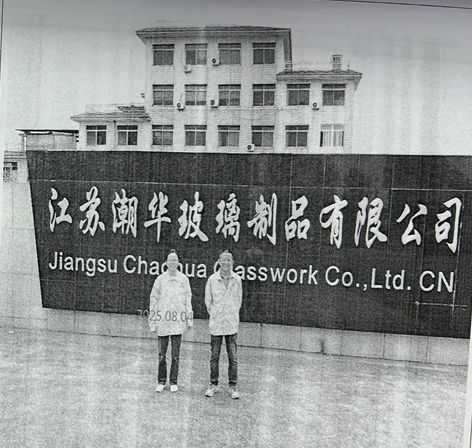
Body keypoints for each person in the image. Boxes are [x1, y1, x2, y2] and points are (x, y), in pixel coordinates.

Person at [149, 250, 193, 393]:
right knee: (162, 354)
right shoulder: (160, 279)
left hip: (178, 322)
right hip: (163, 321)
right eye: (170, 260)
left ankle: (174, 381)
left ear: (178, 263)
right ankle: (161, 381)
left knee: (175, 355)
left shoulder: (184, 279)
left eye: (175, 260)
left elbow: (188, 299)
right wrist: (153, 321)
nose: (172, 263)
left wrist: (189, 319)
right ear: (166, 263)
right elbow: (153, 300)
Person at [204, 250, 242, 399]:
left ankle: (233, 386)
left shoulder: (237, 279)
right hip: (216, 324)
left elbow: (238, 300)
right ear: (219, 261)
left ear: (232, 262)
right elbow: (208, 302)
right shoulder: (212, 279)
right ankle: (213, 384)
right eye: (223, 260)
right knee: (214, 357)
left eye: (229, 260)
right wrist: (216, 314)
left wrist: (231, 314)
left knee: (233, 357)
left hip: (231, 324)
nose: (226, 263)